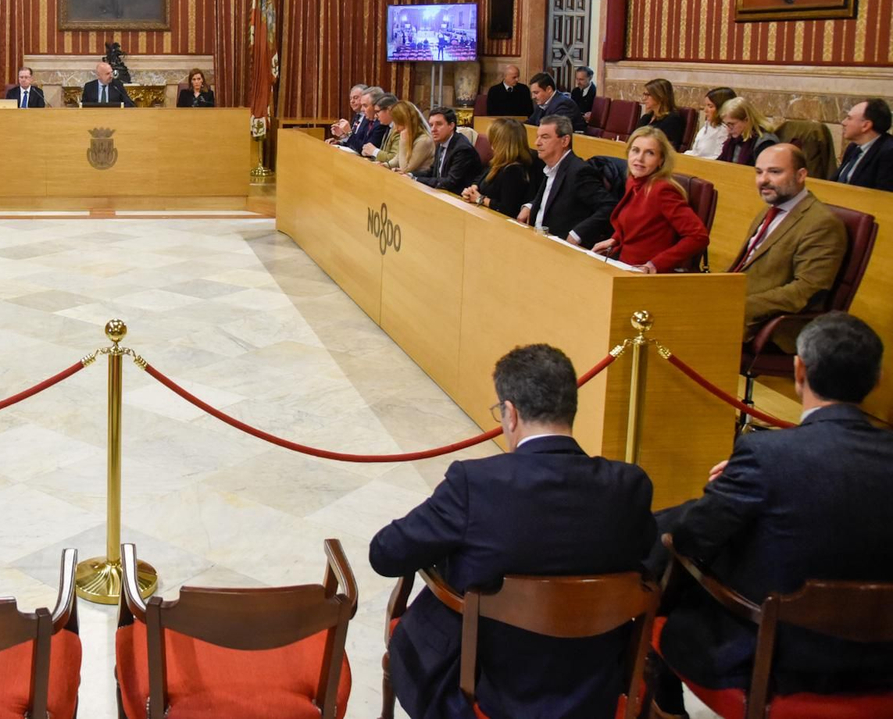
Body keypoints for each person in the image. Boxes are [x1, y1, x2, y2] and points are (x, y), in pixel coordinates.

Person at [370, 343, 655, 719]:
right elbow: (646, 559)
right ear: (571, 408)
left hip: (480, 689)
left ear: (510, 413)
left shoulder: (475, 483)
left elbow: (386, 554)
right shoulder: (629, 486)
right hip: (592, 688)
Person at [650, 313, 893, 718]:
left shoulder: (766, 455)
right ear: (878, 378)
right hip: (882, 666)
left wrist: (726, 489)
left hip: (773, 661)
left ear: (799, 369)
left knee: (665, 554)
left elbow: (692, 541)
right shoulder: (770, 459)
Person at [729, 143, 846, 350]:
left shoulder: (822, 223)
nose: (763, 180)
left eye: (775, 172)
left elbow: (806, 290)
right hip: (734, 305)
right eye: (759, 172)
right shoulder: (770, 210)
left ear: (801, 175)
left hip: (766, 324)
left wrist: (740, 306)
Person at [590, 127, 710, 273]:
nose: (639, 158)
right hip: (623, 266)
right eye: (635, 150)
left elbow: (698, 236)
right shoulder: (634, 181)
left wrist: (654, 265)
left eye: (650, 153)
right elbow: (636, 223)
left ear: (661, 160)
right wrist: (615, 239)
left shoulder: (662, 190)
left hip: (644, 276)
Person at [517, 116, 615, 247]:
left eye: (545, 137)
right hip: (538, 241)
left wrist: (578, 234)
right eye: (537, 137)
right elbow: (553, 196)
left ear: (564, 141)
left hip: (560, 248)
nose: (537, 143)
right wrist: (530, 205)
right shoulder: (551, 166)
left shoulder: (579, 171)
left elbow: (610, 207)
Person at [462, 118, 536, 217]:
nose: (491, 146)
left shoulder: (513, 171)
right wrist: (473, 188)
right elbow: (480, 178)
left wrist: (480, 199)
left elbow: (507, 209)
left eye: (493, 141)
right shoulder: (498, 162)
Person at [411, 107, 481, 193]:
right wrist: (411, 175)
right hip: (443, 193)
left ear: (451, 125)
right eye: (431, 125)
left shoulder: (462, 149)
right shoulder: (441, 142)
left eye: (439, 124)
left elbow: (450, 182)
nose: (433, 129)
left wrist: (416, 179)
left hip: (459, 198)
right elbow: (433, 172)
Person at [835, 98, 893, 191]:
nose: (843, 122)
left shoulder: (889, 152)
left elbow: (883, 196)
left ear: (866, 125)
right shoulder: (853, 147)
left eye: (849, 118)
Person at [716, 97, 779, 166]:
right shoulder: (733, 141)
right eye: (726, 124)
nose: (728, 129)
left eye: (731, 124)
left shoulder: (765, 142)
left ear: (747, 120)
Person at [380, 99, 433, 174]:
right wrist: (385, 165)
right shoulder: (408, 135)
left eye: (398, 123)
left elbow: (405, 168)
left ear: (406, 122)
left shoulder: (424, 140)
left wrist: (403, 142)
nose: (396, 128)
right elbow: (398, 158)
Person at [686, 86, 738, 160]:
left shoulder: (724, 130)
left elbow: (719, 158)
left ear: (722, 108)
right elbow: (695, 152)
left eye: (710, 106)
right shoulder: (707, 126)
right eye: (706, 105)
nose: (705, 110)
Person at [641, 78, 685, 149]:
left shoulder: (673, 120)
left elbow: (665, 148)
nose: (644, 99)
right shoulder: (646, 117)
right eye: (644, 94)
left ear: (660, 96)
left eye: (648, 95)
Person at [363, 94, 402, 163]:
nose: (375, 116)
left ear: (389, 110)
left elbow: (395, 158)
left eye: (377, 112)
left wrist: (374, 151)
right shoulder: (389, 127)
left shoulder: (399, 129)